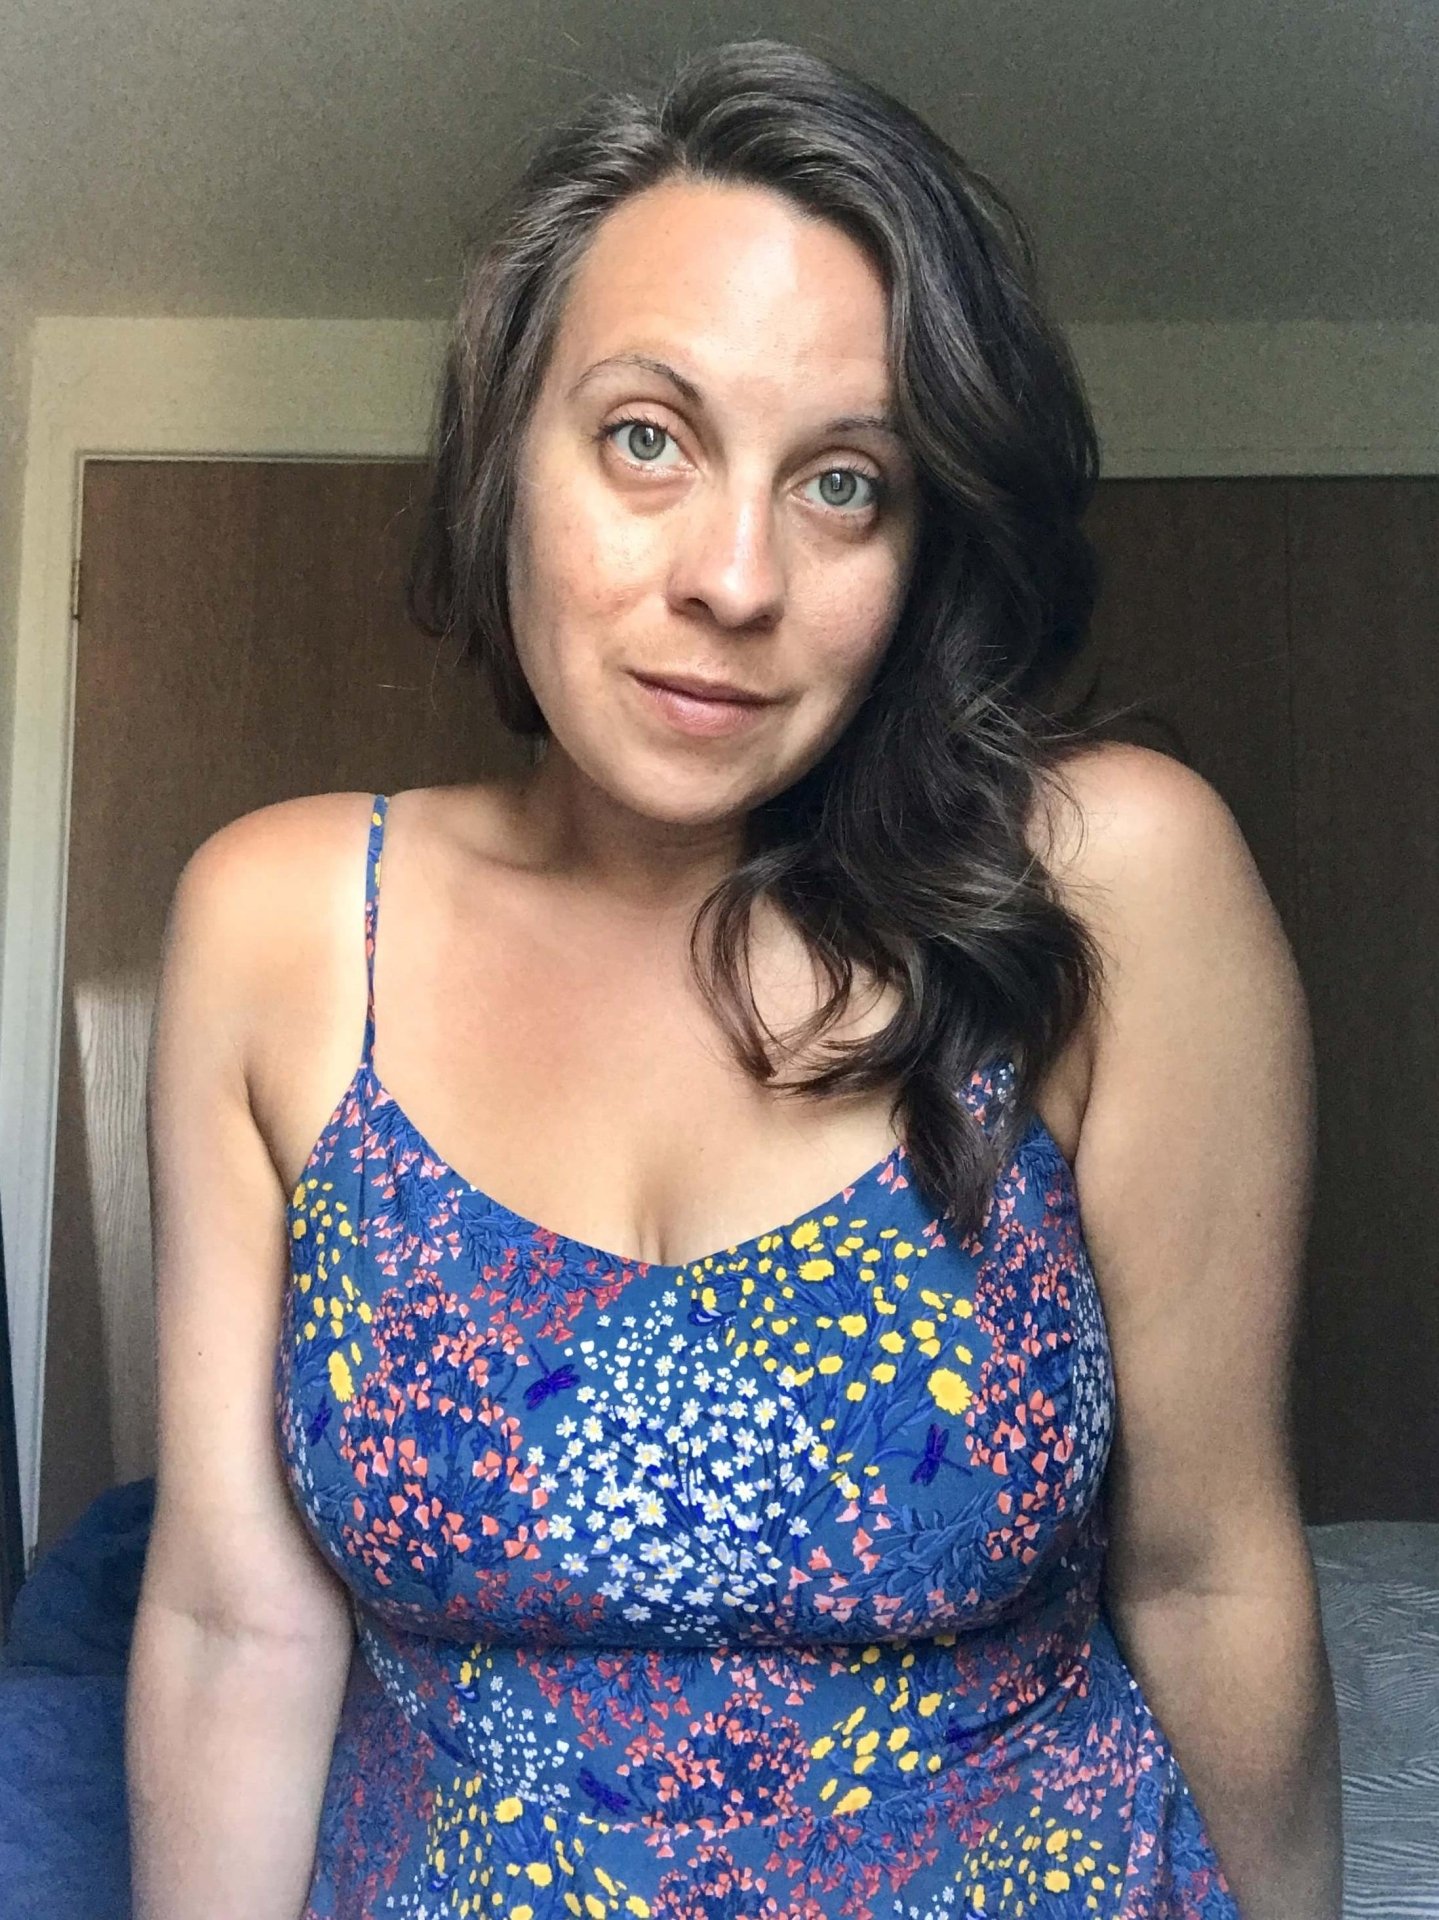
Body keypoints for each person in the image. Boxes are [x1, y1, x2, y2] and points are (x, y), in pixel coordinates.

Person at [124, 37, 1343, 1920]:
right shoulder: (283, 925)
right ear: (504, 458)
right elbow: (231, 1624)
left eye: (845, 482)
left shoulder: (1105, 882)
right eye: (647, 439)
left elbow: (1207, 1573)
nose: (737, 576)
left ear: (925, 547)